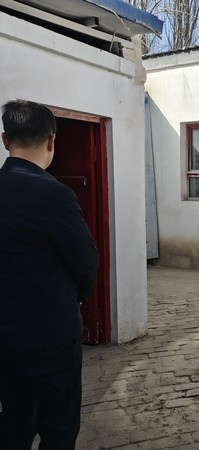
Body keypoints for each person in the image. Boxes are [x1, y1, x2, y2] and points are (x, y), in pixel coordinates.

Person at [0, 100, 99, 449]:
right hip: (50, 338)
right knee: (58, 429)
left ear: (5, 140)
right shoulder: (55, 195)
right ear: (52, 140)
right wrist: (76, 297)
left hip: (4, 339)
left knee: (13, 422)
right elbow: (86, 262)